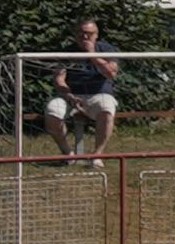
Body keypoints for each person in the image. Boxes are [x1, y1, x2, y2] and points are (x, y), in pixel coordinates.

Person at [47, 19, 122, 157]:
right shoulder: (67, 52)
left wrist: (92, 54)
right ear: (75, 35)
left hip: (99, 94)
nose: (85, 37)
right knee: (52, 110)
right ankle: (67, 153)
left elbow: (111, 74)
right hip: (70, 95)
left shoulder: (106, 49)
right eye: (81, 33)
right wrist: (69, 95)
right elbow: (59, 79)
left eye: (89, 33)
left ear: (96, 35)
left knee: (107, 108)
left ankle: (97, 155)